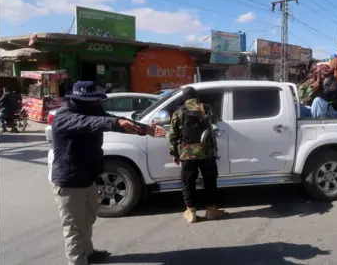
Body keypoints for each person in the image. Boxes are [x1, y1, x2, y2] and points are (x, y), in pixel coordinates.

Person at [50, 81, 166, 265]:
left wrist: (145, 130)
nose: (98, 104)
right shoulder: (64, 117)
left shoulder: (92, 111)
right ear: (80, 101)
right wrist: (115, 121)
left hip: (89, 177)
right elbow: (90, 123)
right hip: (69, 183)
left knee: (87, 220)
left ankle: (88, 253)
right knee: (74, 228)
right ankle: (77, 261)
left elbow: (115, 121)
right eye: (95, 101)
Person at [168, 86, 226, 224]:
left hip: (187, 153)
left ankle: (191, 212)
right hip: (206, 152)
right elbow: (216, 120)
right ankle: (211, 210)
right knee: (210, 180)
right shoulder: (206, 108)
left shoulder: (178, 112)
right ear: (196, 97)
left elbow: (173, 136)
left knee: (188, 182)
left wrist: (175, 153)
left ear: (184, 98)